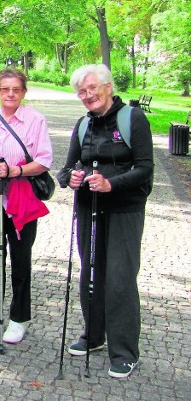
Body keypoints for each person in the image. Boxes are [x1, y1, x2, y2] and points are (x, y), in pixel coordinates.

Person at [57, 64, 153, 379]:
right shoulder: (83, 124)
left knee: (120, 279)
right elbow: (67, 166)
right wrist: (69, 178)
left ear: (108, 86)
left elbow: (144, 169)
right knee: (91, 274)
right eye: (81, 92)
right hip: (88, 207)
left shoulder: (132, 120)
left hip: (124, 210)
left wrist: (112, 183)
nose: (87, 96)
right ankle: (94, 336)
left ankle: (125, 351)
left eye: (92, 88)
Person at [0, 68, 53, 344]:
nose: (10, 94)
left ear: (24, 92)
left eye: (16, 89)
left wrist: (15, 170)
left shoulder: (35, 120)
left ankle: (19, 317)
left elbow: (44, 160)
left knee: (20, 257)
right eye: (5, 89)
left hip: (21, 198)